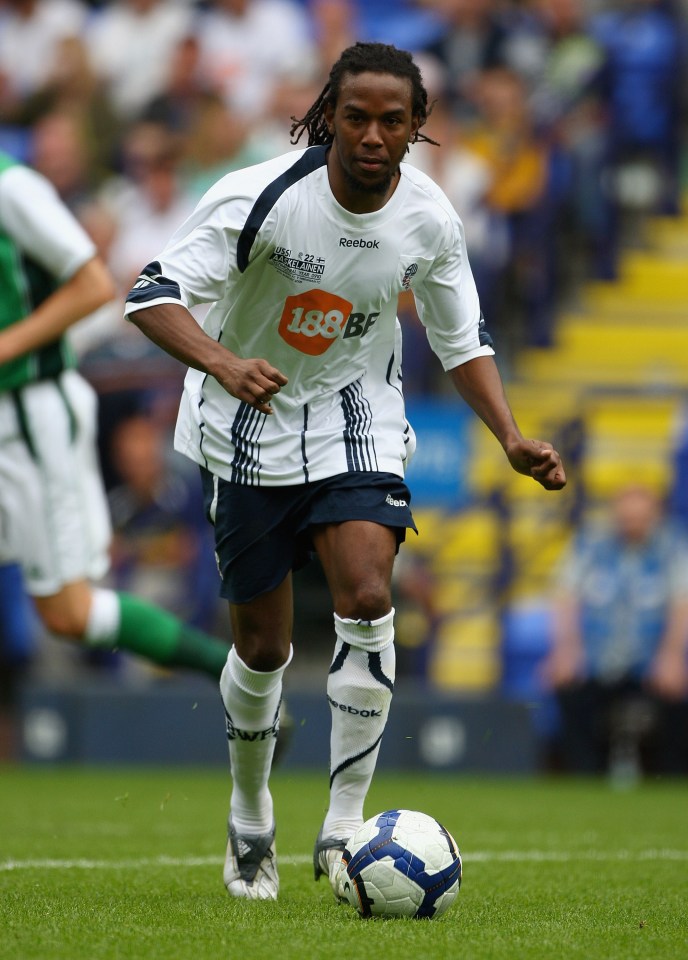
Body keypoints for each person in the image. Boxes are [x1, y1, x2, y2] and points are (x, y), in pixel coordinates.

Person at [124, 41, 566, 903]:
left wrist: (510, 436)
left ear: (417, 128)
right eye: (355, 117)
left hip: (356, 418)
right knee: (264, 647)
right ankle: (250, 813)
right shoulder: (260, 196)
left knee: (368, 595)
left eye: (391, 120)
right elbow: (151, 293)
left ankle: (343, 826)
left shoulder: (431, 218)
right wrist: (221, 362)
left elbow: (461, 339)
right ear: (329, 116)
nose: (371, 134)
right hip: (246, 418)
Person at [0, 148, 232, 684]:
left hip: (27, 413)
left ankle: (234, 673)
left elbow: (94, 286)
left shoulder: (14, 188)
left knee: (70, 612)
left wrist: (6, 347)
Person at [543, 484, 688, 777]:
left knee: (677, 702)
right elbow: (565, 596)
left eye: (641, 520)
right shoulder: (590, 544)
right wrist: (565, 650)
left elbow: (681, 603)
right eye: (627, 519)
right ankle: (582, 777)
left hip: (648, 661)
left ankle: (669, 779)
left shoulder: (672, 547)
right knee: (568, 690)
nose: (633, 526)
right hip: (596, 660)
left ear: (655, 517)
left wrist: (671, 656)